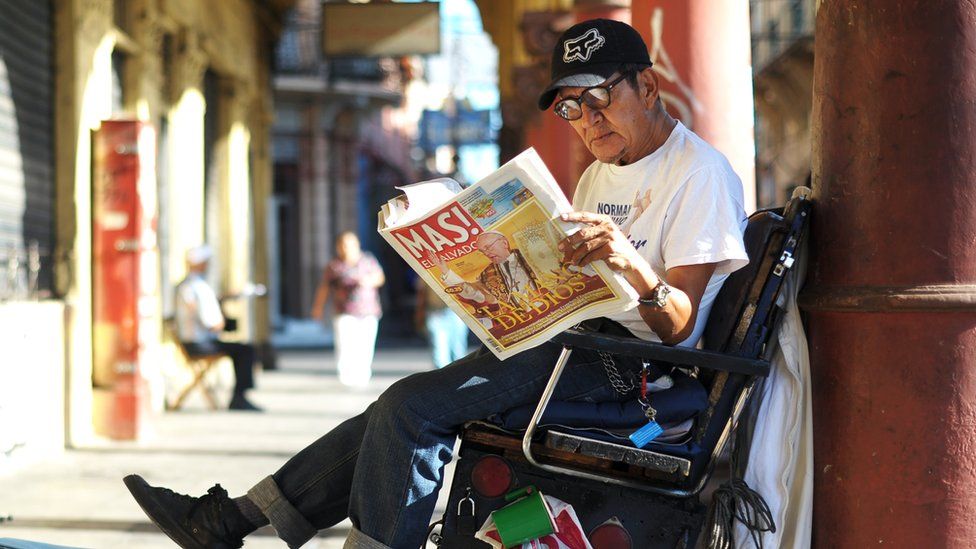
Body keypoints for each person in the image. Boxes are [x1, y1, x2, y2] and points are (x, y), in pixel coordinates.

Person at [124, 19, 748, 549]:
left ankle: (228, 523)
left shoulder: (698, 174)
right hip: (573, 343)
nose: (587, 119)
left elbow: (681, 325)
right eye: (570, 107)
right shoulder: (597, 177)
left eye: (600, 97)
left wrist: (633, 267)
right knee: (394, 409)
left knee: (412, 412)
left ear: (648, 85)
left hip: (634, 372)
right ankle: (228, 520)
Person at [174, 245, 261, 411]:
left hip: (193, 341)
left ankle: (239, 397)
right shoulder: (196, 287)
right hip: (198, 343)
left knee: (242, 349)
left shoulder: (187, 285)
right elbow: (211, 323)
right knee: (245, 350)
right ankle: (239, 397)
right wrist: (222, 323)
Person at [311, 231, 385, 387]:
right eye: (343, 245)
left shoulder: (368, 260)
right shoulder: (334, 265)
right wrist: (318, 308)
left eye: (350, 244)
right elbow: (324, 288)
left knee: (365, 344)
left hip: (368, 310)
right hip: (344, 311)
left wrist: (369, 281)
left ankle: (363, 373)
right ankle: (346, 375)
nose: (347, 248)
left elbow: (380, 277)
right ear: (339, 247)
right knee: (345, 344)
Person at [414, 280, 470, 369]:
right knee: (439, 356)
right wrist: (420, 313)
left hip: (456, 313)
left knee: (458, 353)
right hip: (436, 313)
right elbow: (422, 292)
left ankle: (457, 379)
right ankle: (445, 380)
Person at [474, 231, 540, 306]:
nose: (486, 253)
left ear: (505, 243)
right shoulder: (485, 275)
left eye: (488, 247)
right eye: (482, 251)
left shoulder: (529, 255)